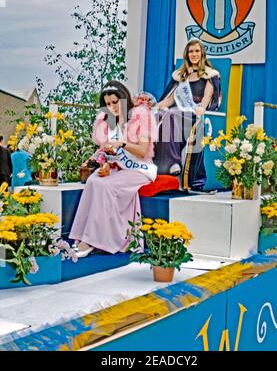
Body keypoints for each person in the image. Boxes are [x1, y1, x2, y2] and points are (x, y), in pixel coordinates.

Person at [69, 81, 157, 257]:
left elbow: (141, 151)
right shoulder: (109, 121)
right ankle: (81, 236)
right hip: (119, 168)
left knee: (105, 186)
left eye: (115, 102)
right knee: (94, 180)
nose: (112, 107)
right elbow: (111, 153)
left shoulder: (140, 116)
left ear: (124, 98)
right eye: (108, 104)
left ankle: (93, 240)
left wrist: (122, 143)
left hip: (140, 169)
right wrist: (106, 165)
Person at [153, 39, 221, 192]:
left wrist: (202, 108)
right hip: (176, 114)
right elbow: (170, 100)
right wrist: (152, 107)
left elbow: (207, 97)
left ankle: (172, 162)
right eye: (191, 51)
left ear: (202, 53)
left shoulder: (210, 75)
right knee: (158, 116)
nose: (194, 54)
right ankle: (160, 167)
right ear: (187, 54)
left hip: (193, 115)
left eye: (197, 51)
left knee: (171, 114)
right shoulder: (180, 76)